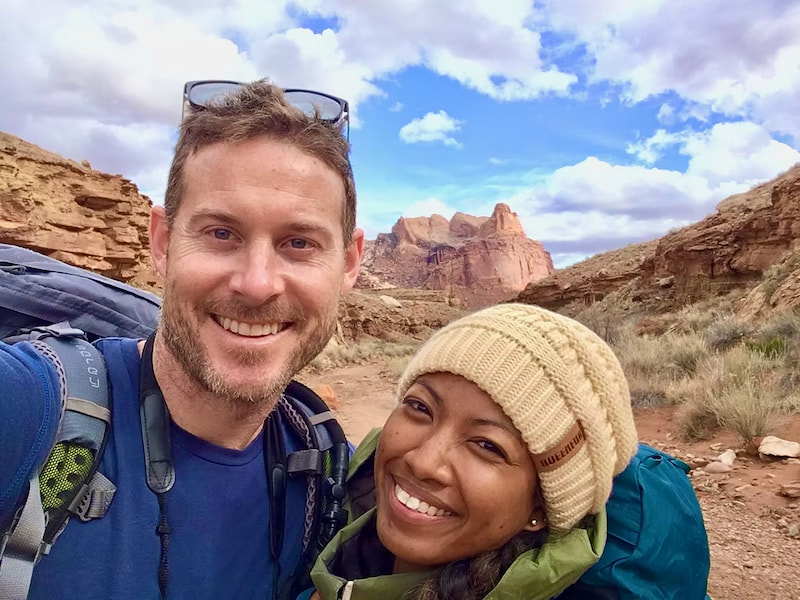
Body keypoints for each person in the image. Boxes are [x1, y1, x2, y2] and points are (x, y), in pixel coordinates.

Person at [0, 79, 364, 599]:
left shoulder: (325, 469)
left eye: (299, 242)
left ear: (349, 262)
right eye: (221, 233)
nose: (257, 283)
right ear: (163, 241)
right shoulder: (32, 409)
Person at [306, 302, 642, 600]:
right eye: (420, 407)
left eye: (487, 446)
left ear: (539, 509)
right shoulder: (326, 529)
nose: (423, 462)